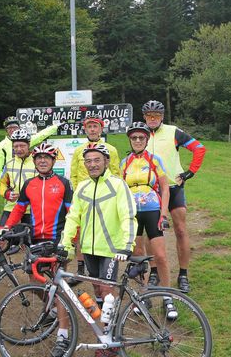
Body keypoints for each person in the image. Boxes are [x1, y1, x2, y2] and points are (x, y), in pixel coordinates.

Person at [61, 143, 137, 357]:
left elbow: (127, 215)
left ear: (106, 162)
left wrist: (127, 244)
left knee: (106, 291)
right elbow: (73, 217)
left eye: (97, 160)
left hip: (112, 249)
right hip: (88, 248)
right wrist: (64, 243)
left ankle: (109, 338)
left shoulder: (117, 184)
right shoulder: (82, 187)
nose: (92, 164)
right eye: (88, 161)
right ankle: (108, 324)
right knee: (97, 292)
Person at [1, 143, 73, 357]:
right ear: (35, 161)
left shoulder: (63, 183)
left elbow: (72, 214)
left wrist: (70, 241)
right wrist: (5, 227)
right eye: (39, 157)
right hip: (35, 240)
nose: (42, 161)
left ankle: (63, 334)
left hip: (56, 240)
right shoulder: (29, 184)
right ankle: (51, 310)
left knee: (58, 287)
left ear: (53, 161)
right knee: (34, 282)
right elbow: (19, 208)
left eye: (47, 158)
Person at [142, 100, 206, 293]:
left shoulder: (173, 132)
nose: (153, 119)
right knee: (150, 231)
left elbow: (199, 148)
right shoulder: (140, 134)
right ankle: (153, 271)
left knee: (180, 229)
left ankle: (183, 274)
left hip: (174, 186)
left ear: (162, 117)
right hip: (151, 189)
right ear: (144, 117)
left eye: (156, 116)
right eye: (149, 116)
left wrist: (190, 171)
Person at [120, 122, 177, 320]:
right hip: (132, 213)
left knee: (160, 256)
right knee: (138, 257)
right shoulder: (124, 162)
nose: (137, 141)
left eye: (141, 138)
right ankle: (145, 295)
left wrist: (163, 213)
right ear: (130, 139)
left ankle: (168, 297)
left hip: (152, 210)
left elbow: (165, 187)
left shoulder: (154, 160)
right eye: (134, 138)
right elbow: (120, 190)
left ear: (146, 139)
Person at [68, 117, 121, 279]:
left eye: (95, 126)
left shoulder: (110, 149)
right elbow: (74, 174)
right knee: (82, 231)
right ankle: (81, 267)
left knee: (104, 229)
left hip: (104, 198)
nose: (92, 129)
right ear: (85, 129)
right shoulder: (79, 150)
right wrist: (78, 193)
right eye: (89, 127)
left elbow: (117, 174)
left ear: (101, 129)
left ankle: (106, 266)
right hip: (84, 197)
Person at [0, 116, 60, 189]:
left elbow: (40, 136)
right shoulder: (1, 146)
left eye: (15, 127)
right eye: (9, 128)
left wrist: (55, 127)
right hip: (10, 177)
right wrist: (1, 188)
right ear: (6, 130)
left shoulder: (24, 140)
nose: (12, 130)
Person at [0, 129, 37, 227]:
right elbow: (2, 183)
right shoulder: (9, 164)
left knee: (28, 240)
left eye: (22, 146)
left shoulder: (37, 162)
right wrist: (6, 193)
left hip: (31, 208)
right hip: (12, 206)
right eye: (15, 146)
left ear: (29, 145)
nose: (19, 149)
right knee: (1, 236)